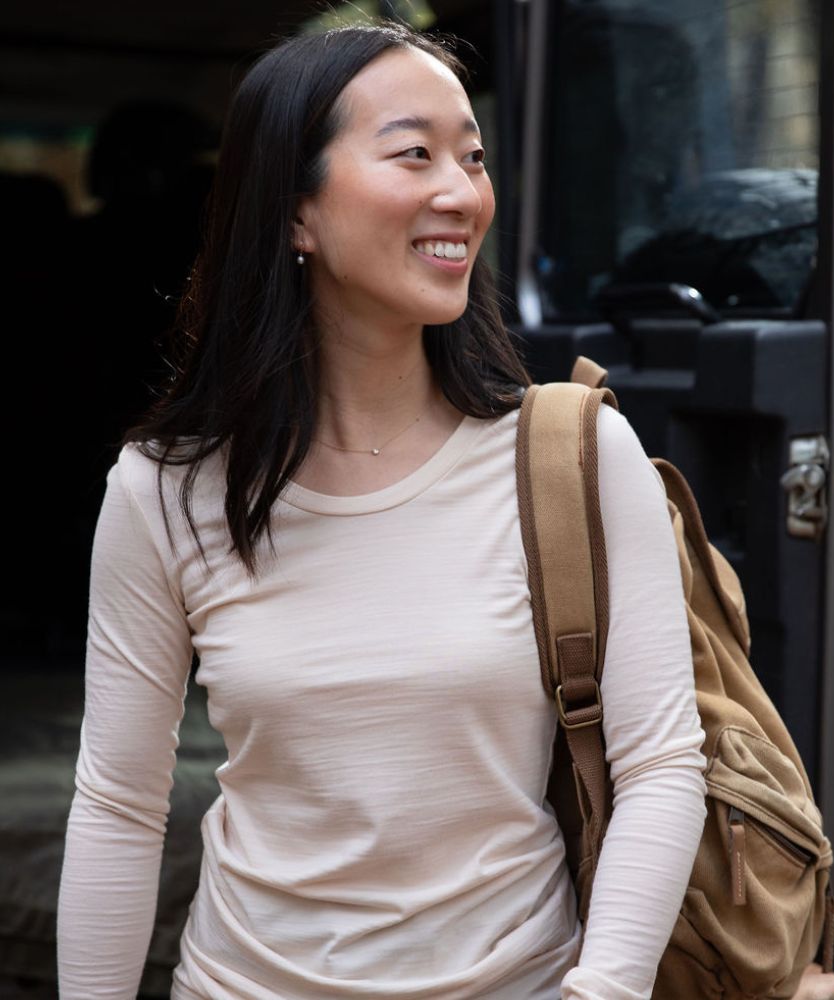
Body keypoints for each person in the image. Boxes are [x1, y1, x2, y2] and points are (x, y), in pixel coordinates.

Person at [56, 21, 707, 1000]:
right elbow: (118, 804)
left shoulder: (574, 453)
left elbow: (660, 760)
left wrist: (599, 989)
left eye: (472, 157)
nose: (461, 191)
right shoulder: (165, 489)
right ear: (294, 212)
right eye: (414, 153)